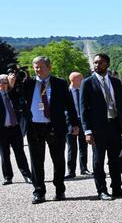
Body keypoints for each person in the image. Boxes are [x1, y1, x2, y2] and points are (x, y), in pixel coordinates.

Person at [14, 56, 80, 204]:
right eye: (35, 67)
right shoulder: (28, 84)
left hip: (55, 126)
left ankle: (59, 189)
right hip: (34, 126)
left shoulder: (60, 83)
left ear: (49, 67)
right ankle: (39, 192)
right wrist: (14, 82)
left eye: (40, 67)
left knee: (58, 160)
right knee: (36, 161)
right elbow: (15, 98)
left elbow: (70, 105)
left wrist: (75, 124)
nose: (37, 70)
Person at [81, 54, 122, 201]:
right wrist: (87, 131)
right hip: (97, 129)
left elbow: (121, 106)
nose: (97, 65)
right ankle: (102, 190)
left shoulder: (116, 83)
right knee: (98, 161)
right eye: (95, 62)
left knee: (115, 160)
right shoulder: (88, 83)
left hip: (115, 126)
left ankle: (117, 188)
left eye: (100, 62)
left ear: (107, 64)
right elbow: (83, 109)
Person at [0, 73, 32, 185]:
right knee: (4, 154)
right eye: (3, 83)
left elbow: (19, 101)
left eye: (6, 82)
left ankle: (27, 175)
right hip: (2, 130)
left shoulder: (12, 94)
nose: (4, 85)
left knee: (20, 153)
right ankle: (8, 177)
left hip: (15, 128)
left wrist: (12, 86)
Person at [66, 71, 89, 178]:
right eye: (81, 79)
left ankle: (84, 169)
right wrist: (72, 124)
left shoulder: (83, 91)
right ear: (74, 80)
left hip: (83, 121)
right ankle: (71, 171)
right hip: (70, 123)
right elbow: (64, 111)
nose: (83, 80)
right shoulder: (66, 92)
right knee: (72, 147)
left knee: (83, 146)